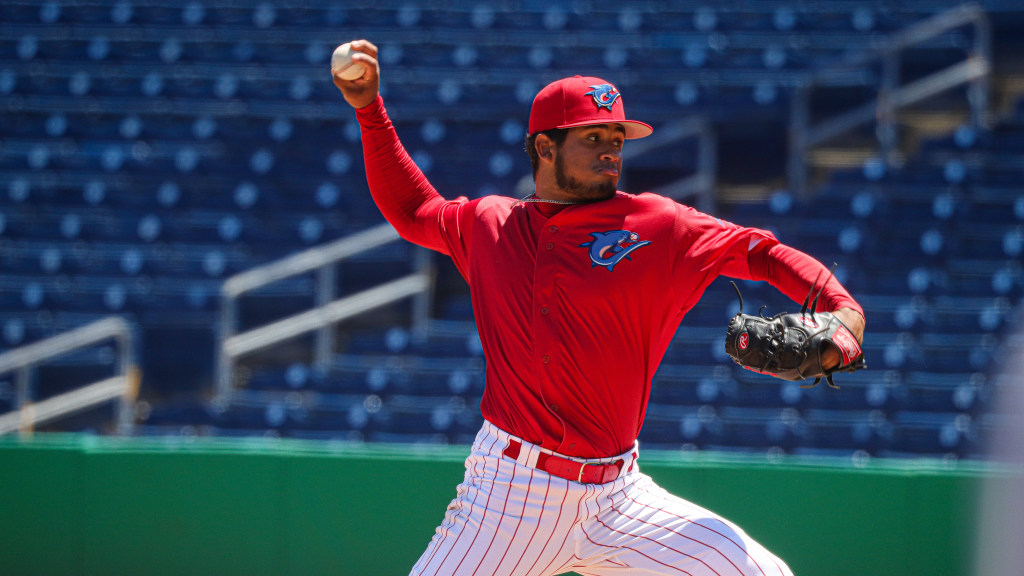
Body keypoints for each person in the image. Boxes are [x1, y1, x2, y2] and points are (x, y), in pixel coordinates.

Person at [334, 39, 865, 576]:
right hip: (510, 496)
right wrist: (369, 110)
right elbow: (415, 209)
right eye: (593, 137)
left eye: (617, 137)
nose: (612, 149)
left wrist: (843, 310)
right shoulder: (489, 225)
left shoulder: (658, 224)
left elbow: (763, 253)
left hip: (620, 498)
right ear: (545, 148)